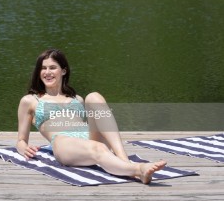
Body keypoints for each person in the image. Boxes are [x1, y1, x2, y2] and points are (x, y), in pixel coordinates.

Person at [17, 48, 167, 184]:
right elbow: (21, 140)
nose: (47, 72)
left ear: (63, 71)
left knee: (94, 97)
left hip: (87, 138)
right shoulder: (30, 101)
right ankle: (138, 169)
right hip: (63, 143)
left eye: (52, 67)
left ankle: (123, 159)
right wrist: (23, 148)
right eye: (43, 68)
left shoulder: (77, 99)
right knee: (98, 148)